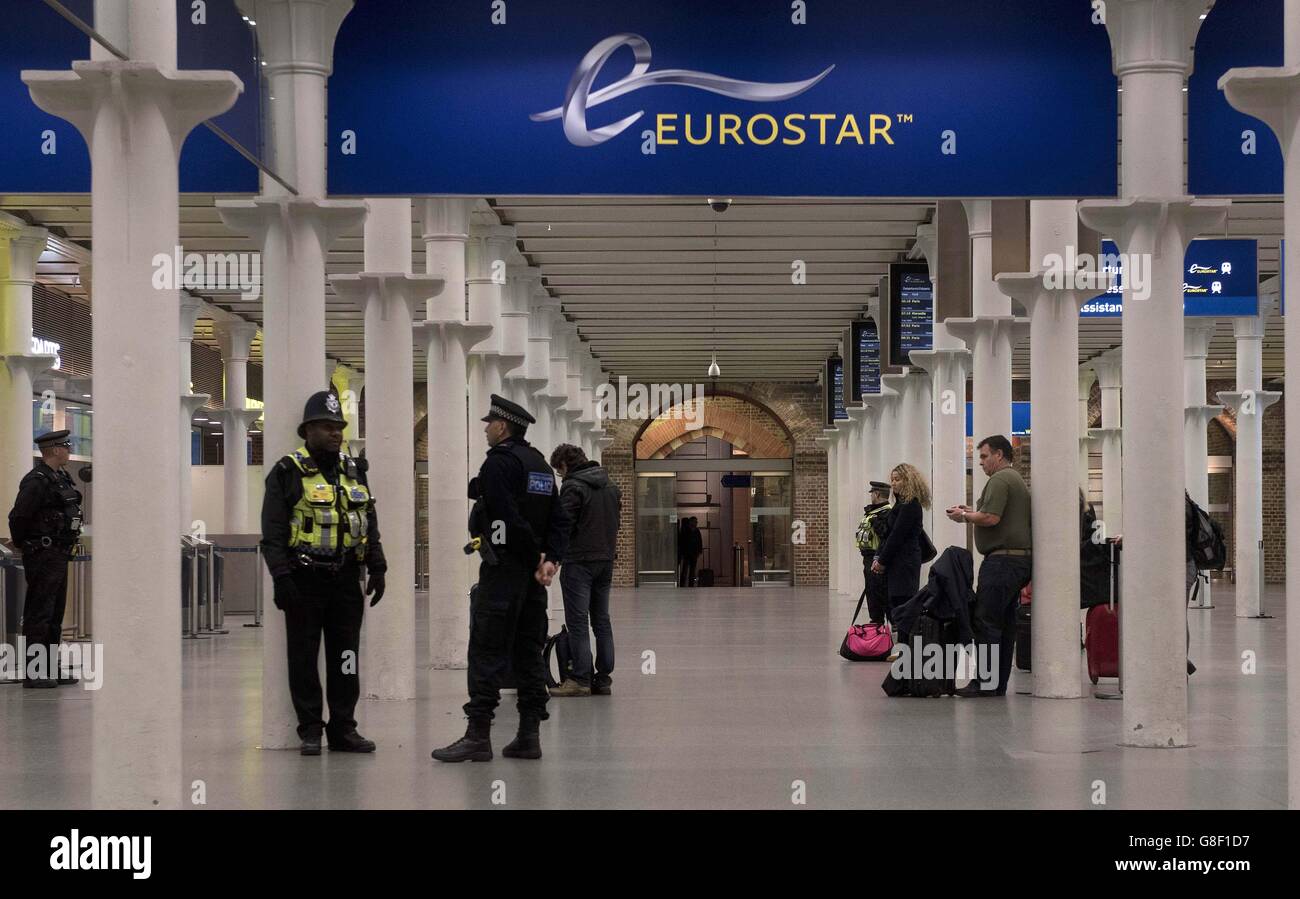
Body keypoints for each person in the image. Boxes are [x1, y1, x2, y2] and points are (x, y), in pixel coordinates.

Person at [432, 394, 570, 763]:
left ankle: (478, 735)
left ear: (503, 426)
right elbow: (558, 519)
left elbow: (507, 518)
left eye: (489, 423)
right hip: (533, 579)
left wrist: (531, 557)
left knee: (487, 650)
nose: (485, 429)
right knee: (528, 651)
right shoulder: (540, 465)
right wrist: (549, 560)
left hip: (504, 571)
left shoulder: (499, 464)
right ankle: (528, 736)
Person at [261, 391, 387, 755]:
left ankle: (344, 728)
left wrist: (377, 565)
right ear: (308, 431)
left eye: (339, 428)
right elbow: (273, 533)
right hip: (304, 580)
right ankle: (311, 729)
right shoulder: (287, 472)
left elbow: (368, 521)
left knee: (346, 656)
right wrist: (281, 578)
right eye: (328, 427)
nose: (336, 434)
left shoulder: (353, 470)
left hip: (346, 580)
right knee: (303, 657)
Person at [947, 435, 1032, 697]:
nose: (981, 462)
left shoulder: (1000, 479)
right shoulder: (1013, 479)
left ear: (998, 455)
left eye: (984, 456)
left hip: (1002, 562)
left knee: (986, 622)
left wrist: (964, 517)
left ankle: (983, 682)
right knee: (1004, 626)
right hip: (1015, 561)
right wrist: (972, 510)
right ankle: (996, 683)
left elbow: (991, 517)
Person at [7, 429, 83, 687]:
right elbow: (18, 516)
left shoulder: (60, 478)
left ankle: (50, 667)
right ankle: (35, 671)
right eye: (66, 446)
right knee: (39, 613)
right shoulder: (36, 480)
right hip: (42, 553)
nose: (69, 449)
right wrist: (24, 545)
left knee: (54, 613)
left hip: (59, 553)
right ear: (54, 450)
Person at [548, 443, 621, 697]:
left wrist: (554, 557)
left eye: (559, 471)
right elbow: (615, 523)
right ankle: (603, 679)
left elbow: (563, 525)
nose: (561, 476)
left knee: (578, 621)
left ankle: (580, 679)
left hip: (579, 562)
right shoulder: (611, 486)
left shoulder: (572, 486)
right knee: (601, 620)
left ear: (565, 465)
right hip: (605, 560)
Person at [871, 464, 930, 629]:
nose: (893, 483)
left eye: (897, 479)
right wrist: (879, 557)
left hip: (905, 563)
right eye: (892, 480)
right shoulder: (899, 505)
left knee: (903, 602)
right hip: (896, 562)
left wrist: (882, 561)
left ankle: (905, 647)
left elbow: (897, 536)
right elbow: (888, 535)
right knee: (894, 602)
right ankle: (901, 644)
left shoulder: (910, 505)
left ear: (908, 481)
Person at [855, 480, 893, 625]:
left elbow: (885, 536)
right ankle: (878, 630)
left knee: (879, 597)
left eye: (872, 493)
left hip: (877, 560)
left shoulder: (885, 513)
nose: (871, 496)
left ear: (877, 494)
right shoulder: (874, 512)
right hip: (870, 560)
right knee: (873, 595)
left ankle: (881, 632)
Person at [679, 516, 703, 587]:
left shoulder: (696, 531)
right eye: (695, 522)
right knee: (685, 570)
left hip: (693, 553)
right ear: (691, 522)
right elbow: (682, 542)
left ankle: (690, 584)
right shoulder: (686, 530)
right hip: (687, 553)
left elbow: (699, 541)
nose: (696, 523)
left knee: (691, 570)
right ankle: (683, 584)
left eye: (696, 522)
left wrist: (699, 551)